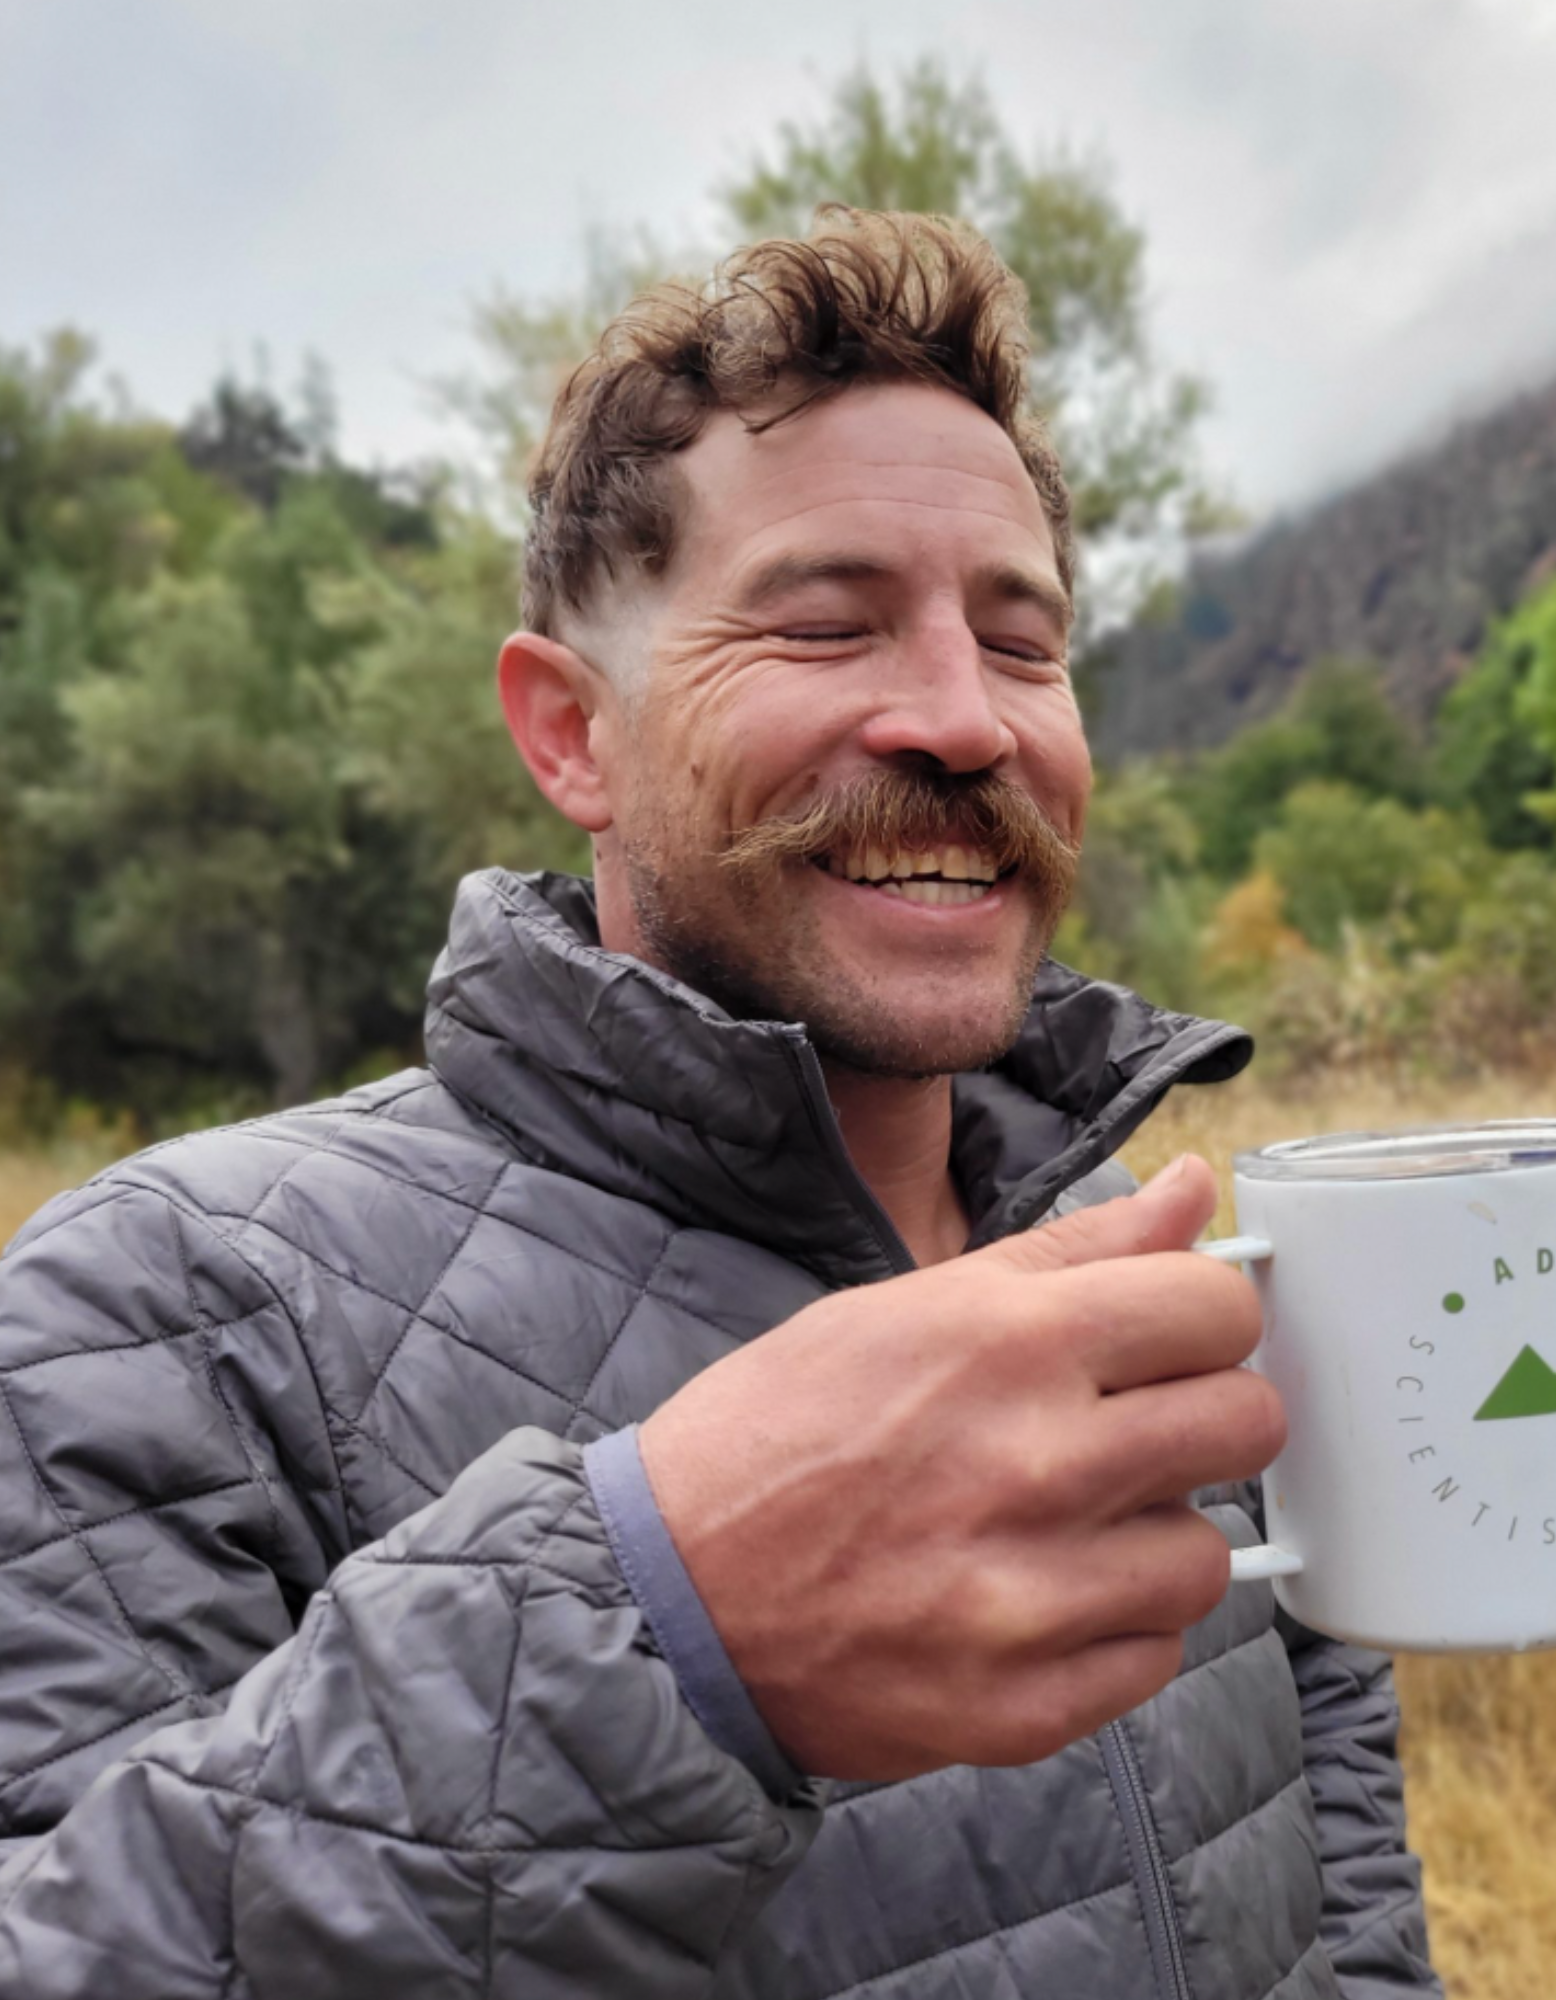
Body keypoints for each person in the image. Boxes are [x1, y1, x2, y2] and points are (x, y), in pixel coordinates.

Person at [0, 210, 1442, 1998]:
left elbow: (1346, 1882)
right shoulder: (165, 1314)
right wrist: (659, 1643)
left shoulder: (1134, 1248)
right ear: (570, 737)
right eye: (826, 626)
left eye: (1020, 641)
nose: (961, 720)